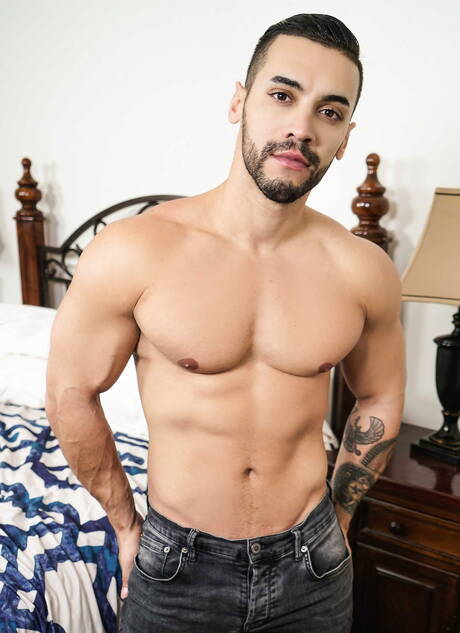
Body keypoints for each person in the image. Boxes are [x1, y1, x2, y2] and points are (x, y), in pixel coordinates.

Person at [45, 12, 406, 633]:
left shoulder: (362, 269)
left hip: (313, 561)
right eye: (282, 95)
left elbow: (379, 394)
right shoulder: (136, 251)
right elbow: (69, 391)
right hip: (178, 567)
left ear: (345, 137)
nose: (301, 127)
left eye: (329, 111)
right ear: (239, 102)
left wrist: (342, 519)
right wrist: (126, 525)